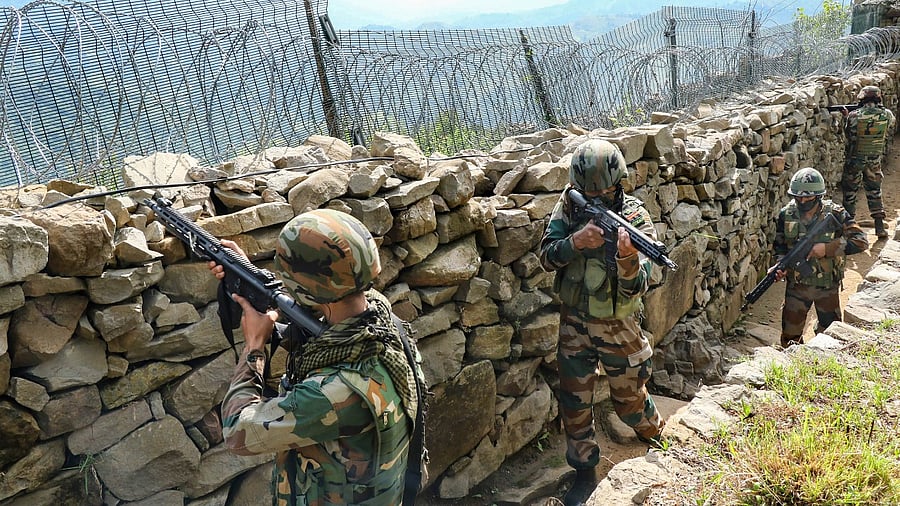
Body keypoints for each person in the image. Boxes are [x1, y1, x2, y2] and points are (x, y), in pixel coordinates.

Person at [210, 208, 425, 506]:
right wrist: (247, 274)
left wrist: (254, 346)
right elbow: (315, 313)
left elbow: (237, 431)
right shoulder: (379, 319)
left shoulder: (335, 393)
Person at [539, 139, 665, 506]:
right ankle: (584, 474)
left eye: (603, 190)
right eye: (587, 190)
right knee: (574, 403)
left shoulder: (636, 220)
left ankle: (659, 441)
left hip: (619, 327)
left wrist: (627, 258)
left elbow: (640, 285)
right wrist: (575, 242)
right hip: (574, 323)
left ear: (618, 183)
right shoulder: (568, 206)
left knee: (629, 403)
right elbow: (546, 256)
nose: (594, 195)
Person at [773, 167, 868, 349]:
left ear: (818, 196)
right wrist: (780, 264)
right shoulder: (786, 214)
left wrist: (828, 248)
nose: (801, 201)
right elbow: (780, 245)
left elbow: (861, 241)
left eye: (807, 197)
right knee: (790, 338)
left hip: (827, 286)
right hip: (797, 286)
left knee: (830, 335)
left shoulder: (836, 213)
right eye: (797, 197)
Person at [841, 84, 896, 238]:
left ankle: (849, 226)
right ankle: (879, 227)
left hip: (855, 160)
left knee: (850, 192)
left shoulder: (854, 116)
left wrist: (846, 117)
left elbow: (849, 135)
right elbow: (889, 126)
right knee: (874, 191)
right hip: (874, 160)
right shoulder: (887, 114)